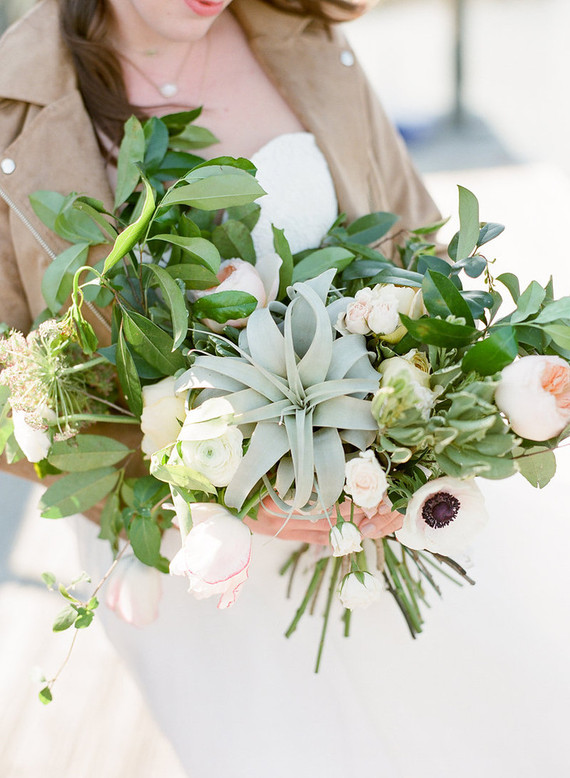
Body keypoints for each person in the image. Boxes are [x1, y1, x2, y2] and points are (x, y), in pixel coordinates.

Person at [9, 2, 565, 778]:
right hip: (200, 571)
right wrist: (216, 492)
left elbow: (423, 251)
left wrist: (414, 433)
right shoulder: (15, 103)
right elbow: (13, 404)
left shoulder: (301, 36)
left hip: (379, 522)